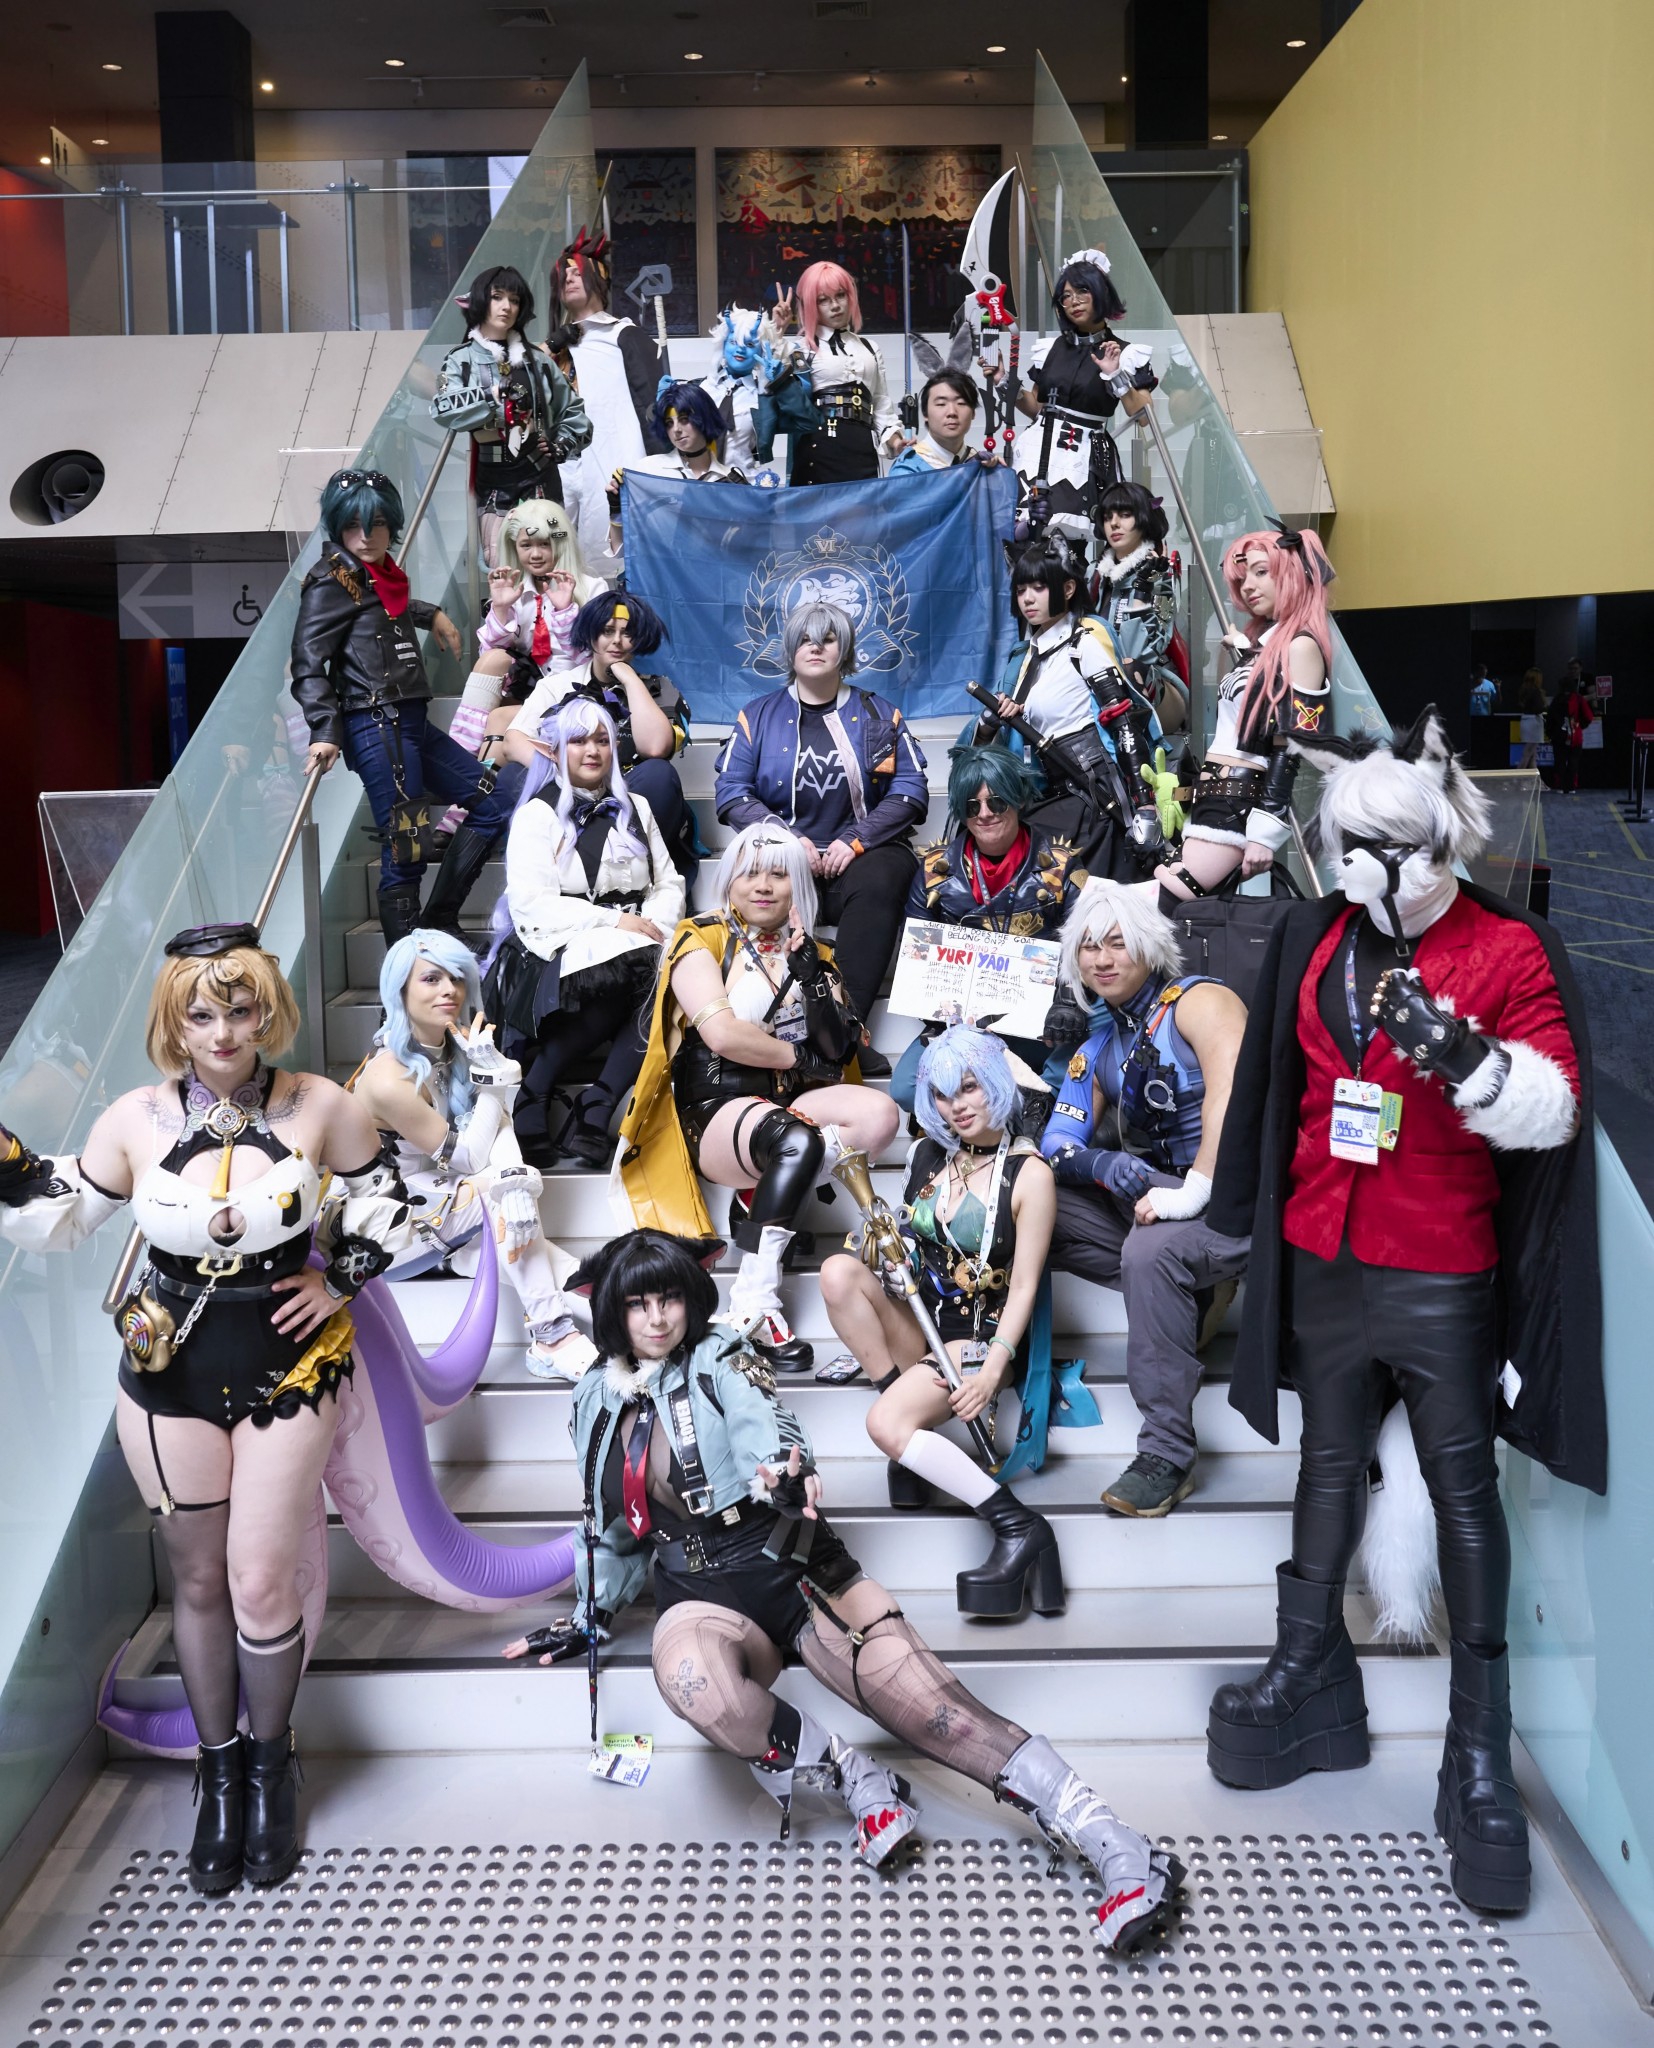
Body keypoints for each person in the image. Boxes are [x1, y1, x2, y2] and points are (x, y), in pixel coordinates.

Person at [502, 1227, 1183, 1953]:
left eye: (668, 1298)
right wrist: (592, 1611)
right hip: (695, 1591)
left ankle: (1116, 1844)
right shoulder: (594, 1398)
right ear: (613, 1312)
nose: (658, 1318)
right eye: (638, 1305)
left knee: (939, 1714)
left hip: (790, 1566)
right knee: (697, 1685)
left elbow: (767, 1429)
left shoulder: (721, 1356)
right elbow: (611, 1525)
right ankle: (858, 1778)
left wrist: (785, 1472)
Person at [1203, 709, 1600, 1918]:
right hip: (1323, 1245)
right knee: (1327, 1462)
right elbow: (1277, 1077)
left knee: (1463, 1489)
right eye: (1353, 847)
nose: (1370, 869)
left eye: (1391, 847)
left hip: (1439, 1260)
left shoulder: (1503, 947)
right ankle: (1306, 1669)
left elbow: (1553, 1104)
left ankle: (1477, 1746)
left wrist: (1469, 1062)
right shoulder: (1316, 932)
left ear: (1438, 840)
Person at [0, 926, 413, 1893]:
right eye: (200, 1013)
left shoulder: (321, 1103)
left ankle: (270, 1764)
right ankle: (218, 1774)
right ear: (173, 1023)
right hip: (166, 1373)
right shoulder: (134, 1118)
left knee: (261, 1581)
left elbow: (391, 1199)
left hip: (287, 1370)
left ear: (267, 1010)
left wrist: (340, 1280)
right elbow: (63, 1211)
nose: (222, 1031)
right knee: (196, 1581)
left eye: (240, 1009)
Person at [617, 823, 900, 1370]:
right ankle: (755, 1301)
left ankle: (764, 1194)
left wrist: (812, 980)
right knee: (797, 1139)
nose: (763, 885)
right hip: (715, 1109)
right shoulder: (700, 939)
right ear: (729, 880)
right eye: (749, 873)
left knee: (881, 1115)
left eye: (778, 874)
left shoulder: (816, 951)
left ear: (798, 884)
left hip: (786, 1107)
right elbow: (722, 1035)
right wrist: (797, 1058)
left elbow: (837, 1050)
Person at [820, 1027, 1066, 1618]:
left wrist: (995, 1369)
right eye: (942, 1094)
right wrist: (890, 1254)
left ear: (996, 1085)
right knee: (836, 1273)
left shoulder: (1030, 1174)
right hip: (925, 1327)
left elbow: (1026, 1286)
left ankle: (1019, 1526)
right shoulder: (930, 1156)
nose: (957, 1105)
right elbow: (911, 1235)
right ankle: (909, 1437)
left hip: (980, 1341)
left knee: (884, 1423)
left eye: (970, 1087)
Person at [1039, 880, 1250, 1516]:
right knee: (1030, 1199)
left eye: (1117, 943)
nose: (1102, 959)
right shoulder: (1102, 1047)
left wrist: (1197, 1188)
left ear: (1150, 946)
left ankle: (1167, 1454)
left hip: (1240, 1200)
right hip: (1163, 1203)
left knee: (1152, 1251)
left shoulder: (1202, 1001)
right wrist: (1103, 1163)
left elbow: (1233, 1098)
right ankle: (1002, 1371)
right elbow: (1056, 1144)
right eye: (1088, 947)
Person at [350, 929, 596, 1380]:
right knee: (501, 1202)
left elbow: (498, 1127)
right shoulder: (388, 1077)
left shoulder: (457, 1045)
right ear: (399, 990)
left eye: (456, 977)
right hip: (386, 1234)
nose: (449, 989)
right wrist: (494, 1083)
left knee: (512, 1234)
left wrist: (514, 1182)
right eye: (431, 979)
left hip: (445, 1210)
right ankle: (552, 1334)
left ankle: (620, 1307)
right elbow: (468, 1157)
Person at [288, 468, 516, 945]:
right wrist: (324, 729)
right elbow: (307, 662)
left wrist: (432, 614)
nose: (365, 537)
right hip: (374, 723)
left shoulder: (374, 575)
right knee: (408, 842)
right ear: (338, 527)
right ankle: (408, 964)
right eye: (353, 526)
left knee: (491, 803)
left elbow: (379, 603)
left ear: (391, 525)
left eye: (376, 525)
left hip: (407, 720)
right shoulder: (330, 580)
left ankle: (438, 922)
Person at [714, 600, 930, 1074]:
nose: (816, 647)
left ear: (844, 649)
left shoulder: (879, 714)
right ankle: (777, 1028)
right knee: (759, 874)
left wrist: (855, 840)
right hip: (786, 865)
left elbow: (911, 791)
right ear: (791, 649)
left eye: (828, 639)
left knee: (886, 873)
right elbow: (731, 792)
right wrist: (789, 840)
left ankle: (848, 1030)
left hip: (858, 861)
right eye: (806, 639)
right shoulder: (758, 715)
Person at [483, 699, 684, 1170]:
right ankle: (563, 1098)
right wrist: (613, 923)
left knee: (662, 973)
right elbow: (532, 904)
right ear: (554, 750)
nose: (592, 750)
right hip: (553, 943)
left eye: (601, 740)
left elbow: (668, 882)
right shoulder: (537, 815)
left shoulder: (638, 808)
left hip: (639, 938)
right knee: (633, 971)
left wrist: (654, 926)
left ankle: (588, 1098)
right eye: (577, 740)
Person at [430, 588, 694, 937]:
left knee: (659, 775)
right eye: (607, 631)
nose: (617, 641)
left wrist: (629, 679)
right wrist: (568, 776)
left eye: (627, 633)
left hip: (623, 804)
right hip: (563, 798)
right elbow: (514, 739)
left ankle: (639, 898)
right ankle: (440, 913)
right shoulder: (558, 685)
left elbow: (656, 746)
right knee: (508, 779)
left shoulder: (658, 689)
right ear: (591, 634)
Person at [974, 533, 1174, 881]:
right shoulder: (1028, 657)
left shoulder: (1084, 644)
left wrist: (1144, 807)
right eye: (1021, 590)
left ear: (1067, 589)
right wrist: (994, 719)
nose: (1028, 598)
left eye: (1039, 587)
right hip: (1053, 789)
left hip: (1094, 794)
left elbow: (1123, 722)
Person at [895, 745, 1088, 1104]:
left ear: (1017, 799)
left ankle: (1032, 1111)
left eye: (997, 802)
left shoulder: (1060, 868)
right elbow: (915, 962)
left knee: (1081, 1058)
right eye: (972, 806)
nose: (984, 814)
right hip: (965, 1027)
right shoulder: (933, 873)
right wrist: (944, 1012)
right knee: (906, 1089)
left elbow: (1089, 945)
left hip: (1042, 1024)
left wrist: (1067, 1001)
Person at [1157, 521, 1334, 904]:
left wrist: (1265, 832)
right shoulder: (1265, 646)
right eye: (1243, 578)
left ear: (1292, 574)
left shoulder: (1301, 647)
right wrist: (1243, 649)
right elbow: (1254, 707)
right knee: (1174, 910)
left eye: (1261, 572)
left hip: (1239, 801)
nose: (1248, 586)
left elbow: (1292, 743)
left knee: (1163, 903)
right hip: (1215, 795)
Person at [993, 247, 1155, 554]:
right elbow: (1036, 407)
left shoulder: (1125, 352)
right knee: (1023, 541)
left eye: (1082, 291)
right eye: (1066, 296)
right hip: (1036, 450)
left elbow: (1144, 415)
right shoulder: (1052, 349)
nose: (1074, 301)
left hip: (1081, 455)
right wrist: (1004, 382)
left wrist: (1116, 375)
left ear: (1101, 293)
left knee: (1068, 546)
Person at [430, 263, 592, 565]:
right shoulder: (461, 360)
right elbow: (442, 409)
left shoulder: (539, 361)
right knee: (500, 566)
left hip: (543, 477)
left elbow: (576, 414)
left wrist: (561, 446)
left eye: (514, 300)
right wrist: (490, 395)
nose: (506, 306)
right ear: (481, 300)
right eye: (497, 297)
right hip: (494, 484)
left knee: (556, 557)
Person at [548, 227, 666, 576]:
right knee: (558, 559)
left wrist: (659, 469)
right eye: (564, 273)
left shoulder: (624, 335)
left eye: (577, 271)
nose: (569, 278)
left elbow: (652, 406)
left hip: (611, 462)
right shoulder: (552, 347)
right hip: (562, 466)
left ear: (598, 279)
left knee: (610, 560)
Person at [782, 261, 904, 484]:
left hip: (862, 450)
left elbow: (880, 405)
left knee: (864, 506)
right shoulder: (800, 349)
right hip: (817, 451)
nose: (835, 306)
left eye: (840, 295)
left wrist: (896, 442)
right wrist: (776, 331)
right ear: (810, 305)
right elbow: (772, 389)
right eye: (823, 300)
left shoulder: (869, 348)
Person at [608, 378, 748, 566]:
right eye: (669, 423)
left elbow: (746, 549)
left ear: (703, 417)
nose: (676, 430)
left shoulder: (732, 480)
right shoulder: (648, 471)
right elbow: (621, 549)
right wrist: (616, 509)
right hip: (658, 577)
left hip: (713, 577)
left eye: (684, 420)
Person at [1096, 479, 1187, 733]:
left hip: (1154, 687)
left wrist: (1142, 591)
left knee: (1131, 668)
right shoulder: (1096, 576)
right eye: (1108, 517)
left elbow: (1143, 654)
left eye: (1125, 515)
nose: (1114, 524)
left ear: (1144, 519)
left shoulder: (1159, 574)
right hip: (1103, 679)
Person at [888, 368, 991, 474]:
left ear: (973, 412)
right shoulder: (907, 469)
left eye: (961, 403)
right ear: (925, 413)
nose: (952, 412)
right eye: (941, 404)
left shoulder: (982, 463)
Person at [1546, 659, 1593, 795]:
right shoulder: (1578, 699)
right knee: (1573, 761)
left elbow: (1550, 719)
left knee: (1559, 760)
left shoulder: (1556, 700)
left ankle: (1560, 786)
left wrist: (1550, 733)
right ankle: (1571, 787)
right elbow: (1588, 716)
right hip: (1575, 735)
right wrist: (1580, 726)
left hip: (1559, 735)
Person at [1516, 666, 1549, 772]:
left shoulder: (1524, 690)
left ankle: (1536, 779)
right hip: (1534, 722)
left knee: (1532, 755)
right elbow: (1538, 708)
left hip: (1526, 721)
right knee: (1527, 754)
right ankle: (1516, 778)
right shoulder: (1536, 692)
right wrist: (1546, 706)